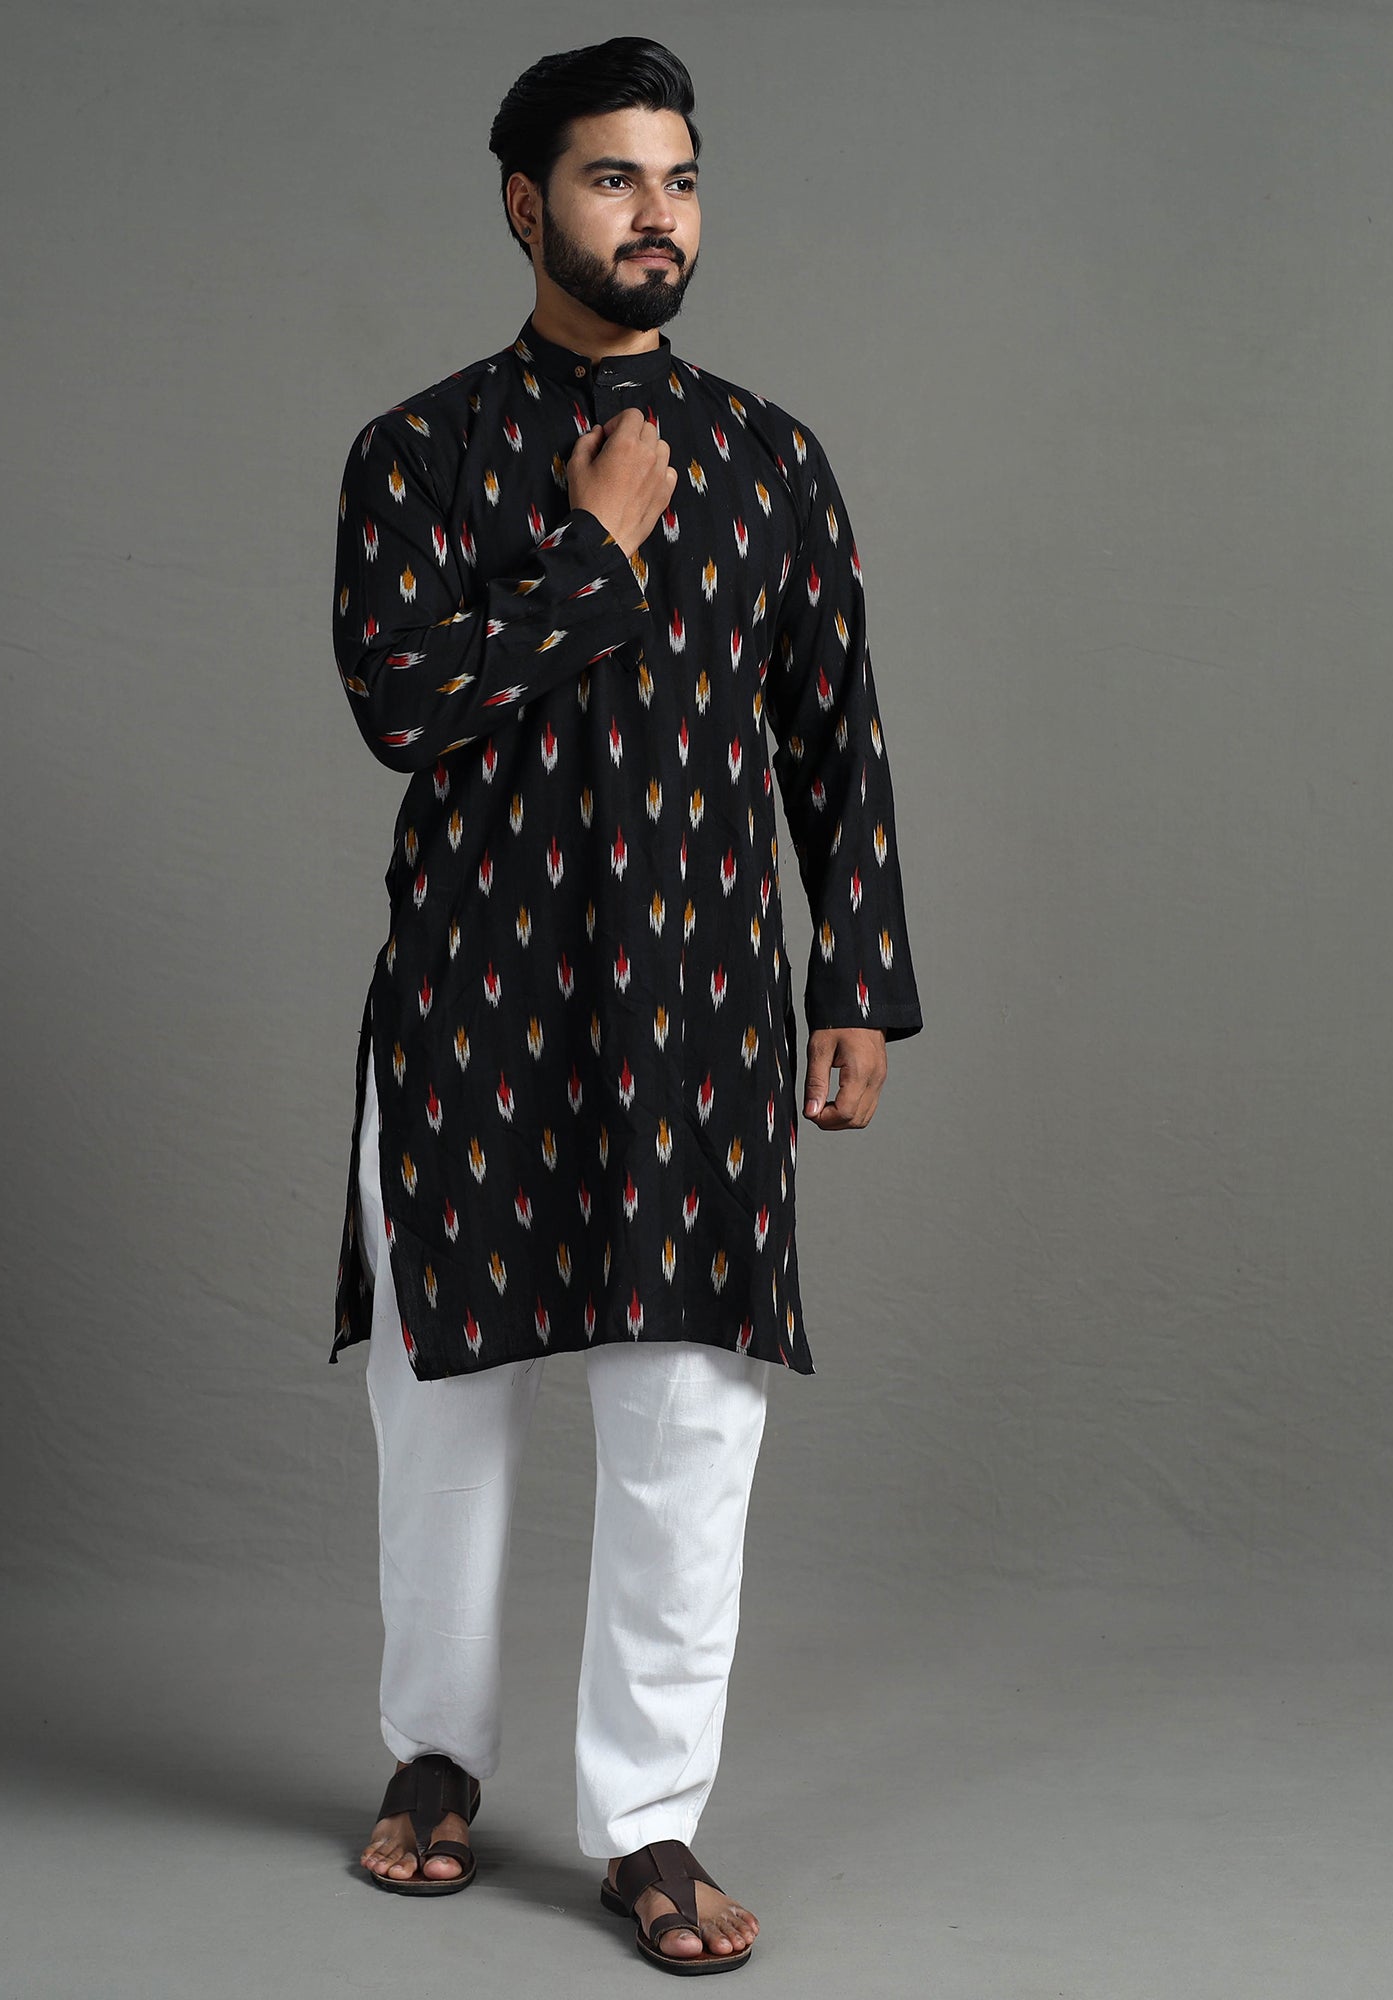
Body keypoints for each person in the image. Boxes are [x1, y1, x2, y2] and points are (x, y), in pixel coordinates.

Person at [327, 37, 925, 1974]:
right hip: (471, 1009)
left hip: (696, 1014)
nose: (656, 213)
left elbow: (834, 738)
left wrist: (857, 978)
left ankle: (649, 1821)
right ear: (527, 205)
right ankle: (434, 1754)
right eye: (612, 178)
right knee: (443, 1409)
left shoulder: (772, 460)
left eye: (679, 177)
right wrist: (591, 551)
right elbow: (400, 704)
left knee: (687, 1427)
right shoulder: (415, 454)